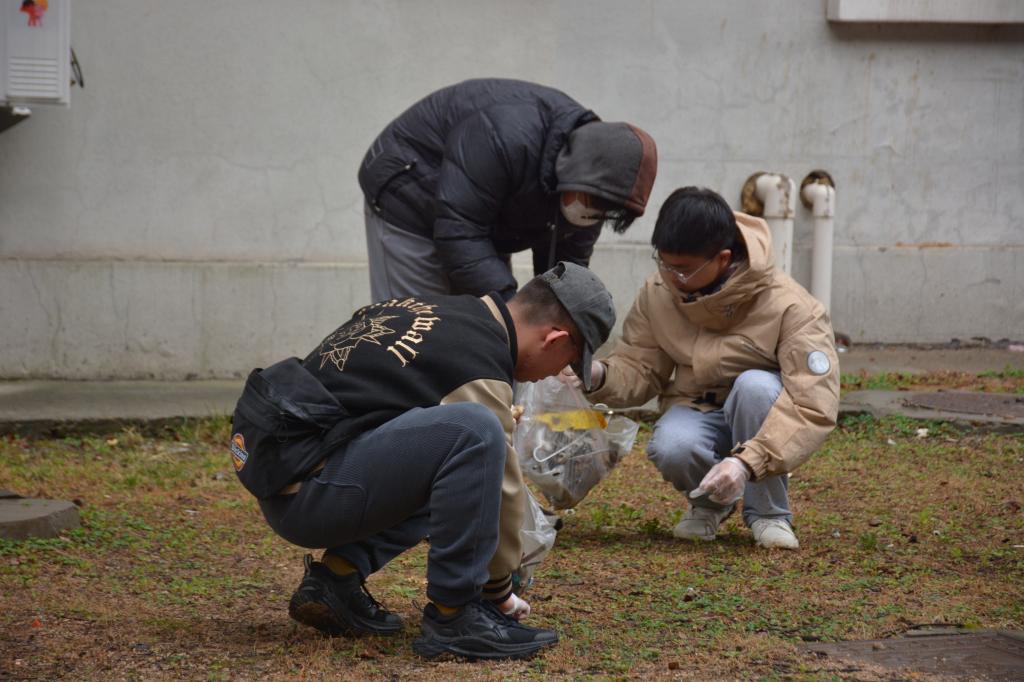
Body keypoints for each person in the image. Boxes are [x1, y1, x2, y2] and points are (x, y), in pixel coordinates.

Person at [230, 262, 615, 660]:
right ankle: (455, 617)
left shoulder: (439, 311)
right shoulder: (478, 362)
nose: (557, 373)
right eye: (570, 361)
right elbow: (500, 483)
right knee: (475, 431)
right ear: (554, 339)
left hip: (290, 476)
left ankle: (336, 580)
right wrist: (499, 587)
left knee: (448, 458)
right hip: (312, 492)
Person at [571, 187, 839, 550]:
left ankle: (769, 514)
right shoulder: (658, 293)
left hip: (762, 414)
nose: (668, 276)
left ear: (723, 258)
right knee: (672, 445)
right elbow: (641, 365)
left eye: (681, 269)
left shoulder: (791, 305)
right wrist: (598, 374)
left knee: (755, 387)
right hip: (697, 405)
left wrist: (746, 464)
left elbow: (812, 403)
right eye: (663, 263)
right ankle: (711, 503)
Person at [358, 77, 657, 302]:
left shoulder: (597, 187)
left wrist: (567, 331)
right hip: (408, 192)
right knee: (415, 330)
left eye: (603, 213)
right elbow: (460, 231)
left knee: (484, 332)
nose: (589, 214)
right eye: (590, 202)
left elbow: (563, 275)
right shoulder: (506, 135)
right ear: (572, 170)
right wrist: (513, 310)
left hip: (478, 222)